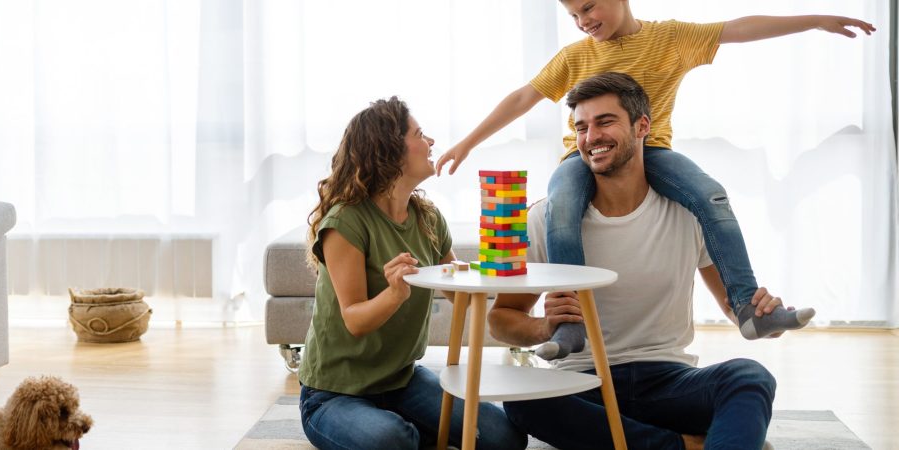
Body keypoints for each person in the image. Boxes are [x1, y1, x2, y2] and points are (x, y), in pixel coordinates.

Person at [438, 0, 872, 360]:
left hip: (653, 151)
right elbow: (522, 97)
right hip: (581, 156)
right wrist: (469, 143)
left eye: (588, 7)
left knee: (710, 195)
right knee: (562, 206)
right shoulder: (575, 56)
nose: (583, 21)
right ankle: (572, 327)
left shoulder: (671, 38)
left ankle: (747, 308)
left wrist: (815, 20)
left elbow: (737, 28)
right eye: (573, 15)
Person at [489, 72, 790, 449]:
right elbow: (501, 319)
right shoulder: (542, 217)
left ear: (642, 125)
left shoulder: (688, 214)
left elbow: (733, 306)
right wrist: (543, 328)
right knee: (523, 398)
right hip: (584, 381)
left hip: (668, 382)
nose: (591, 137)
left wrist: (764, 320)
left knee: (750, 377)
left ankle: (637, 441)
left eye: (605, 122)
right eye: (581, 127)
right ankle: (686, 446)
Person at [299, 96, 526, 450]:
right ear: (388, 150)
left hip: (401, 381)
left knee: (504, 439)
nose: (431, 142)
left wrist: (490, 269)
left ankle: (406, 428)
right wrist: (394, 293)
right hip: (334, 393)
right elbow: (355, 320)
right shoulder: (345, 221)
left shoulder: (428, 218)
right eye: (420, 134)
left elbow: (456, 293)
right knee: (391, 440)